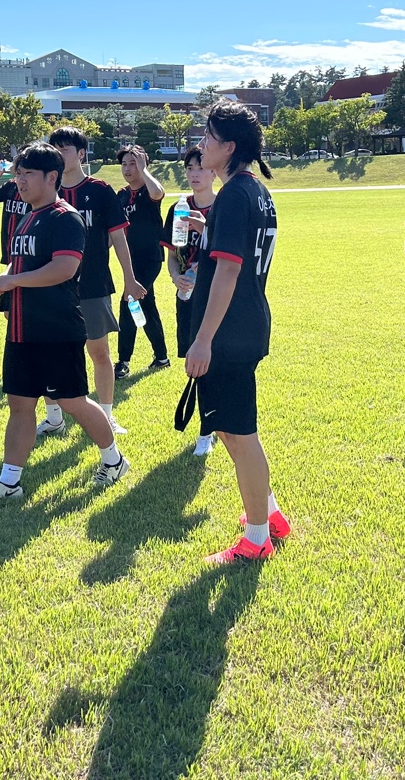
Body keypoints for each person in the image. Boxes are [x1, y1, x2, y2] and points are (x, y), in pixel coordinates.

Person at [0, 141, 132, 505]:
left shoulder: (65, 217)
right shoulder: (27, 216)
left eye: (27, 174)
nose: (20, 181)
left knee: (74, 401)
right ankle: (10, 482)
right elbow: (23, 263)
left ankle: (114, 461)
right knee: (20, 404)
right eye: (18, 173)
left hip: (57, 329)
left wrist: (13, 281)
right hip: (23, 329)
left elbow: (65, 268)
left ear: (51, 177)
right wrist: (5, 276)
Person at [186, 101, 285, 563]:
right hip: (248, 322)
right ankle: (269, 513)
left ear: (228, 147)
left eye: (207, 137)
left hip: (230, 330)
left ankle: (258, 538)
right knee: (228, 428)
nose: (200, 144)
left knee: (240, 433)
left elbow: (227, 273)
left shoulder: (233, 195)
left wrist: (203, 338)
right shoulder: (256, 191)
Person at [47, 126, 145, 437]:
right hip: (52, 288)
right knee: (51, 352)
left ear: (81, 154)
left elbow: (118, 238)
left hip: (92, 285)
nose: (61, 155)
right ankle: (54, 418)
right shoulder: (46, 191)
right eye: (56, 149)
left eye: (66, 149)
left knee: (99, 353)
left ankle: (106, 416)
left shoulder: (101, 191)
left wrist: (130, 280)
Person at [164, 145, 219, 455]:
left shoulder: (224, 207)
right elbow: (174, 255)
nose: (195, 174)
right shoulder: (179, 208)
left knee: (211, 362)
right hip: (187, 296)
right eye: (190, 168)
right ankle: (208, 425)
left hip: (216, 298)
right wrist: (176, 276)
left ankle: (207, 430)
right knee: (192, 362)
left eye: (201, 167)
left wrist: (206, 227)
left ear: (213, 171)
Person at [115, 144, 170, 379]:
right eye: (125, 164)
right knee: (147, 307)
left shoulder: (149, 191)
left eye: (133, 164)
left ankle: (123, 362)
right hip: (130, 261)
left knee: (129, 302)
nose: (128, 169)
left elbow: (159, 193)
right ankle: (162, 358)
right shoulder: (122, 195)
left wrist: (144, 170)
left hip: (150, 260)